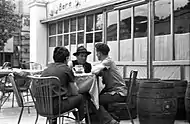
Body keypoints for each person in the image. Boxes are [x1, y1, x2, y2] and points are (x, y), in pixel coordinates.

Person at [40, 46, 85, 124]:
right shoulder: (66, 69)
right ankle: (80, 121)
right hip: (56, 107)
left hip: (41, 106)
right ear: (67, 58)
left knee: (55, 97)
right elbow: (75, 92)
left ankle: (53, 121)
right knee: (80, 97)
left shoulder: (46, 69)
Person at [90, 43, 128, 124]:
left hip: (118, 93)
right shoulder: (106, 63)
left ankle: (109, 121)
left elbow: (94, 70)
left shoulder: (108, 61)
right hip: (116, 91)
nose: (96, 54)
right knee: (96, 97)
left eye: (97, 53)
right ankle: (110, 118)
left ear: (99, 53)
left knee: (94, 100)